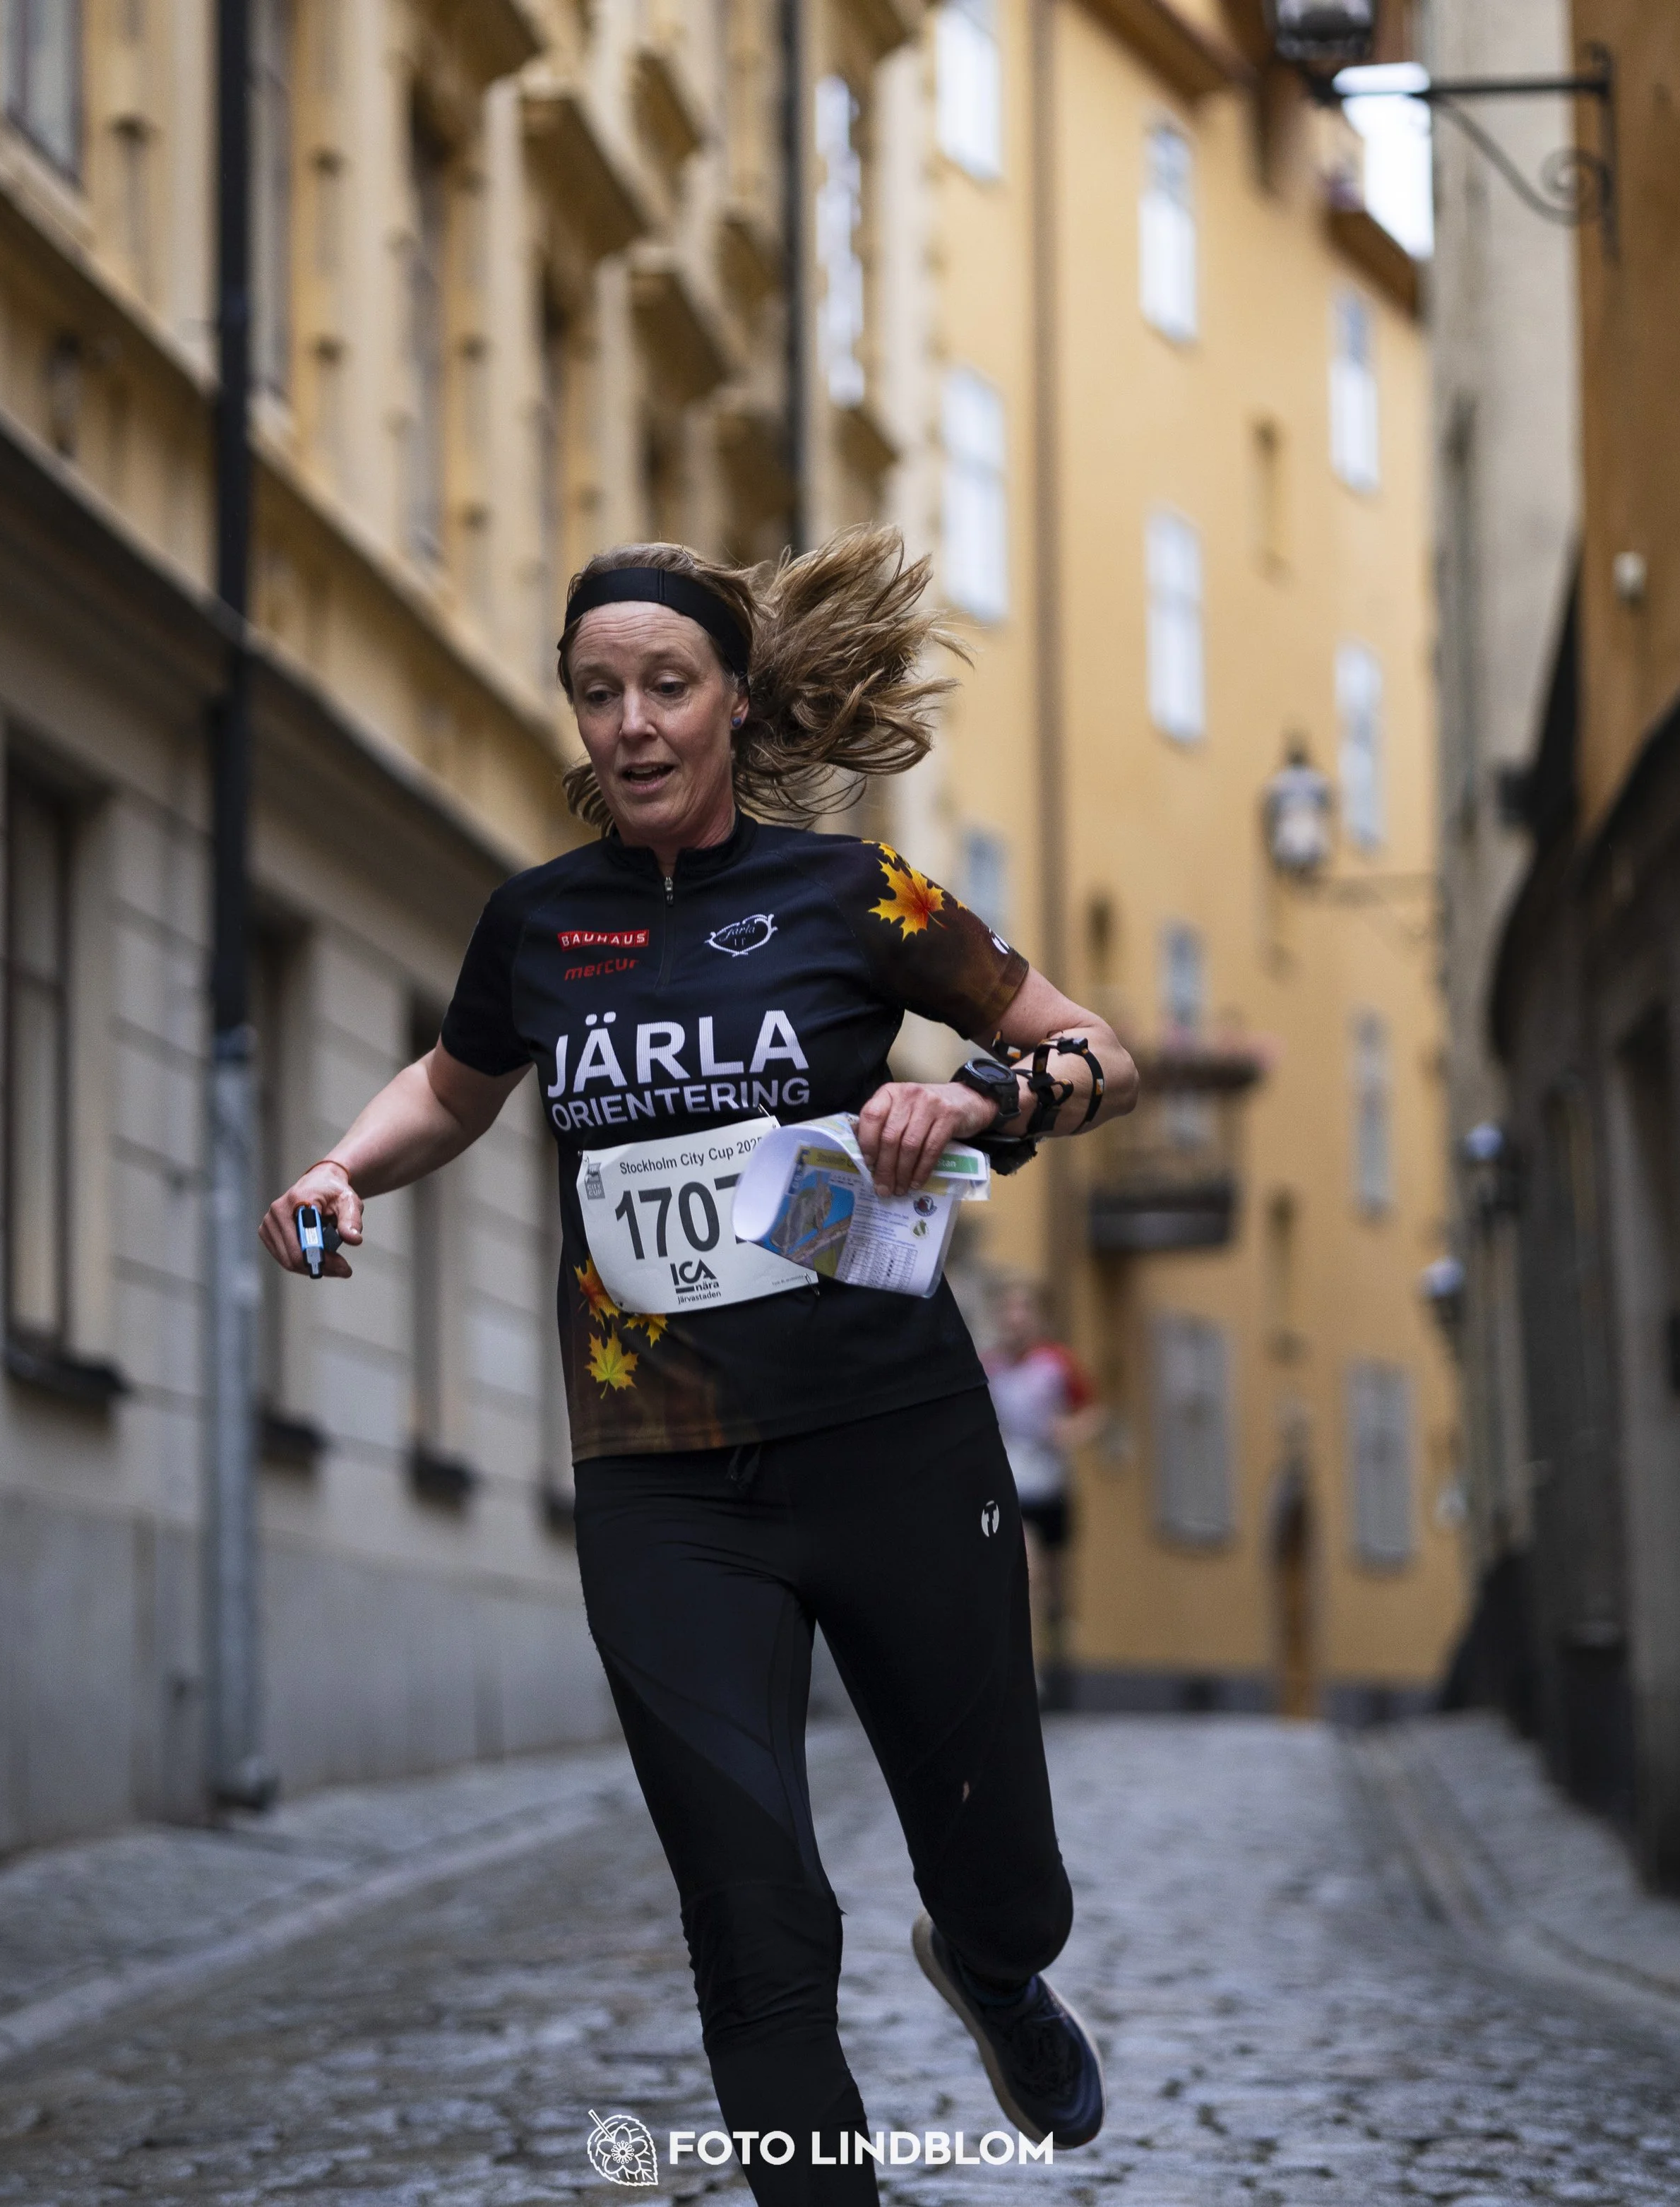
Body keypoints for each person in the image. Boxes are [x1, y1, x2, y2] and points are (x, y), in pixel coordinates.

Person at [260, 527, 1138, 2203]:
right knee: (752, 1912)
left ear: (736, 698)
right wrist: (337, 1168)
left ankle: (999, 1968)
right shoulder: (541, 924)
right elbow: (454, 1085)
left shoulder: (852, 895)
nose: (633, 724)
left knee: (1002, 1872)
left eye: (667, 686)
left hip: (893, 1441)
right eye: (599, 694)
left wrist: (975, 1100)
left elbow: (1099, 1050)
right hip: (662, 1486)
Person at [982, 1282, 1102, 1706]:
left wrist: (1071, 1430)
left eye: (1023, 1311)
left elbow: (1094, 1411)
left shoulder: (1057, 1363)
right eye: (1007, 1312)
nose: (1014, 1320)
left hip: (1052, 1485)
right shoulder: (989, 1367)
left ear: (1036, 1319)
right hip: (1014, 1487)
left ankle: (1059, 1658)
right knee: (1026, 1574)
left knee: (1055, 1589)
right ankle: (1027, 1676)